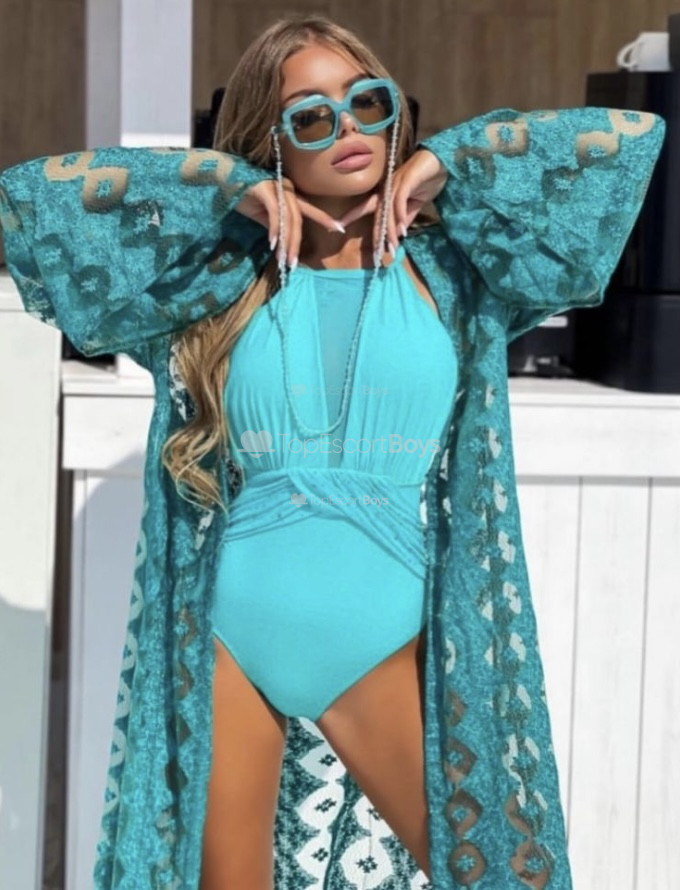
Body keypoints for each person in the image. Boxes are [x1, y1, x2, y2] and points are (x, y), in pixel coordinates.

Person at [0, 13, 665, 890]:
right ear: (269, 142)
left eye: (368, 103)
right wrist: (221, 187)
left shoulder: (461, 270)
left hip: (381, 629)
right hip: (234, 632)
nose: (347, 128)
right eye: (310, 117)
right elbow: (28, 203)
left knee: (504, 872)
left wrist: (449, 161)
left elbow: (630, 140)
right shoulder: (219, 282)